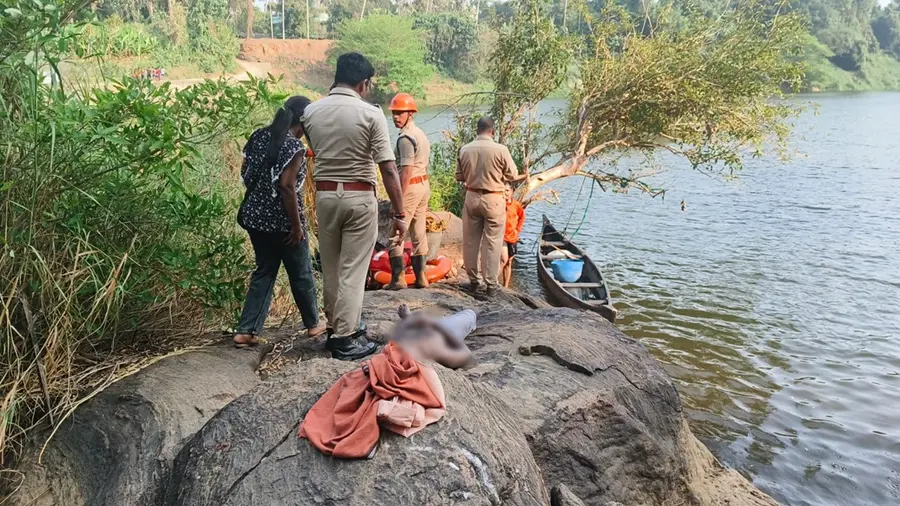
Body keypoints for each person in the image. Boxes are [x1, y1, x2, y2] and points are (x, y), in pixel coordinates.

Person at [302, 52, 408, 361]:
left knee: (332, 266)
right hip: (359, 197)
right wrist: (400, 214)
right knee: (353, 269)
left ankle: (339, 324)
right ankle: (345, 339)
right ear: (363, 83)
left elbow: (315, 148)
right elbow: (388, 168)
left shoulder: (311, 112)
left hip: (324, 198)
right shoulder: (371, 114)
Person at [232, 96, 324, 348]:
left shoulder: (258, 136)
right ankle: (314, 325)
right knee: (301, 273)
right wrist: (296, 227)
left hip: (255, 218)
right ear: (304, 121)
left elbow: (245, 172)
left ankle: (246, 330)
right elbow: (286, 186)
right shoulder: (294, 147)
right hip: (283, 222)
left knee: (264, 271)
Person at [455, 116, 523, 295]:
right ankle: (491, 284)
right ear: (492, 131)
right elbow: (512, 174)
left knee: (471, 241)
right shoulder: (501, 149)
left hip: (471, 196)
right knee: (492, 242)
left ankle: (474, 281)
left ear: (476, 131)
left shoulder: (465, 149)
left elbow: (459, 176)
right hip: (494, 198)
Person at [386, 92, 431, 290]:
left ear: (410, 114)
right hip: (423, 185)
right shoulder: (419, 133)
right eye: (394, 113)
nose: (396, 117)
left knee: (396, 231)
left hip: (410, 186)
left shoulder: (405, 138)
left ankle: (398, 279)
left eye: (400, 113)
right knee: (418, 232)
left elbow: (406, 170)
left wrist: (399, 200)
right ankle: (421, 277)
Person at [500, 185, 525, 288]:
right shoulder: (499, 204)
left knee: (509, 262)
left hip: (512, 237)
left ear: (512, 191)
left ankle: (505, 286)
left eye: (507, 190)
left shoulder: (516, 205)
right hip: (501, 236)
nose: (505, 193)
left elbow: (522, 217)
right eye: (503, 190)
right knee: (503, 260)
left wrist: (517, 230)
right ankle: (490, 283)